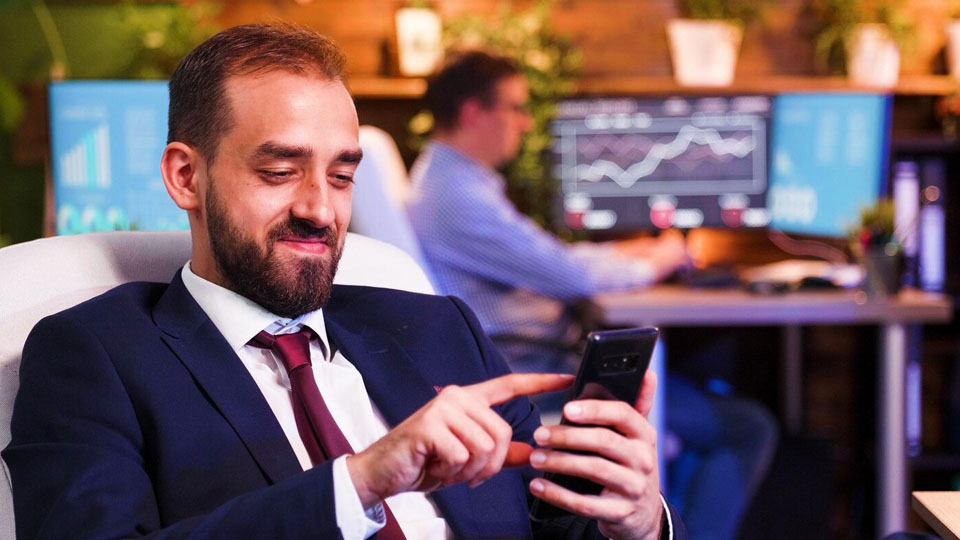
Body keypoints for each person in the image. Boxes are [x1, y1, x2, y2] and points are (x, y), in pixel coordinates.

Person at [3, 24, 684, 540]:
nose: (320, 209)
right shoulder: (94, 355)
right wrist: (358, 483)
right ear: (186, 177)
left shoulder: (440, 329)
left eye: (341, 175)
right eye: (279, 172)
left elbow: (557, 525)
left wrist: (635, 522)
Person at [407, 51, 776, 540]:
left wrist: (630, 251)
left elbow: (546, 258)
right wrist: (659, 259)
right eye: (515, 108)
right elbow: (570, 274)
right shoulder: (458, 196)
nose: (525, 123)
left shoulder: (451, 180)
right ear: (474, 112)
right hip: (534, 374)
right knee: (746, 426)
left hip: (534, 361)